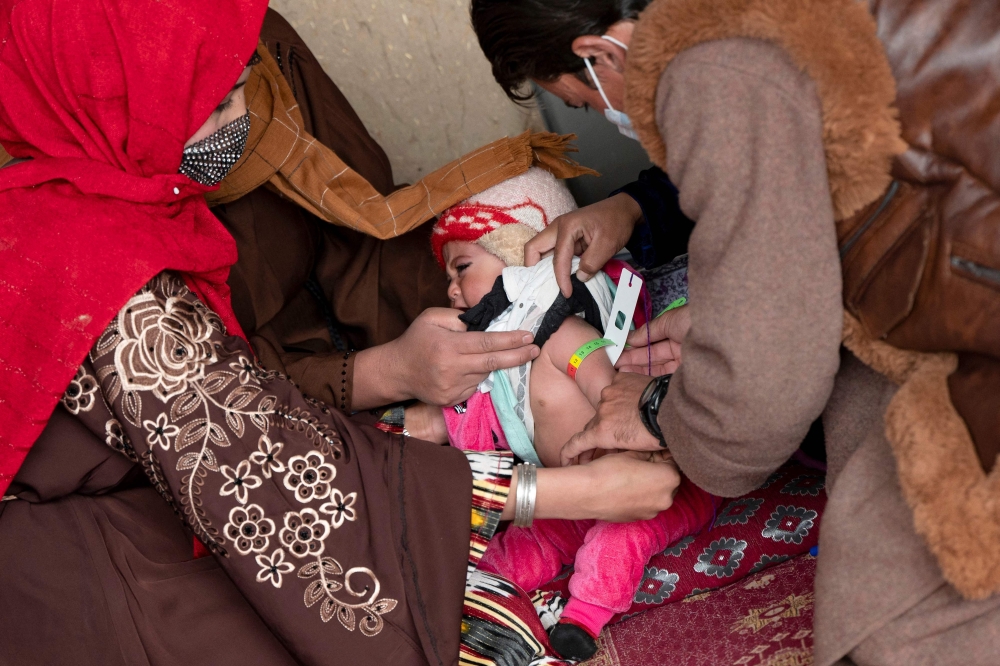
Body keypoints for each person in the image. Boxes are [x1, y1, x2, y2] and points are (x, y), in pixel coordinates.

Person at [0, 1, 684, 665]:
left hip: (243, 445)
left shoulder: (234, 70)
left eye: (242, 88)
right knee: (412, 617)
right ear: (110, 103)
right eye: (211, 108)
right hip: (108, 544)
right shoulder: (96, 264)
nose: (243, 119)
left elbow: (357, 231)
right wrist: (561, 492)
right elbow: (283, 486)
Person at [470, 0, 1000, 664]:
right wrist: (636, 210)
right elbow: (803, 191)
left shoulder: (708, 68)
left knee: (899, 615)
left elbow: (765, 385)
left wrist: (664, 409)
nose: (602, 110)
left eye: (579, 102)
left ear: (598, 56)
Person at [408, 167, 714, 660]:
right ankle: (474, 590)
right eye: (449, 278)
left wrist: (617, 408)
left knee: (618, 542)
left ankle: (583, 619)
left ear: (519, 254)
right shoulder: (496, 364)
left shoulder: (561, 331)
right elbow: (474, 415)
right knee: (523, 544)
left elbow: (604, 380)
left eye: (461, 268)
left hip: (651, 483)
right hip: (572, 495)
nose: (450, 289)